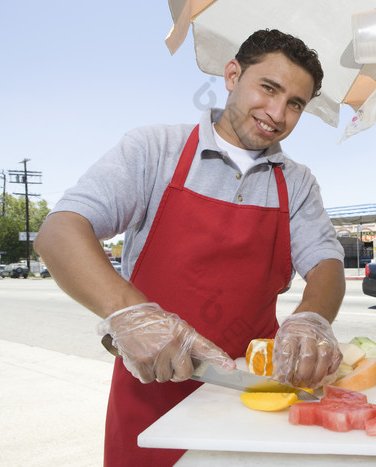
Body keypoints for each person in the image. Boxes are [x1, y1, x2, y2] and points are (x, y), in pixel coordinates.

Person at [34, 29, 346, 466]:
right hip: (151, 391)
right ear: (233, 75)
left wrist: (311, 319)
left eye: (295, 103)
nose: (277, 113)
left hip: (255, 394)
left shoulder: (296, 182)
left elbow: (326, 263)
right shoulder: (155, 149)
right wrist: (130, 315)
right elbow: (61, 230)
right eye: (268, 88)